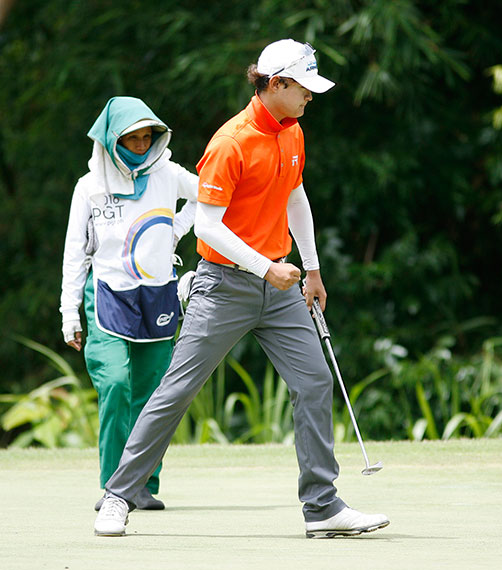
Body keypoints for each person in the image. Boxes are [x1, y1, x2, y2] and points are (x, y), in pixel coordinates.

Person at [93, 39, 390, 538]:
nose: (310, 99)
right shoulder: (230, 141)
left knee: (315, 382)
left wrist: (311, 270)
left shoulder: (292, 133)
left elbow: (296, 197)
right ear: (277, 85)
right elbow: (207, 226)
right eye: (303, 90)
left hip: (279, 286)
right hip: (224, 287)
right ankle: (118, 496)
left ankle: (322, 507)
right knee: (177, 390)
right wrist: (264, 268)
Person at [60, 96, 198, 511]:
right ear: (110, 141)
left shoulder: (168, 174)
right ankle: (113, 485)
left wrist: (175, 229)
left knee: (154, 394)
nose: (140, 145)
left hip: (157, 294)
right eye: (131, 139)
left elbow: (210, 195)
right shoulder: (89, 186)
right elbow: (75, 252)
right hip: (106, 296)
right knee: (116, 383)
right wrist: (69, 313)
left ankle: (142, 483)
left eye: (146, 137)